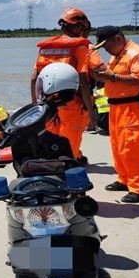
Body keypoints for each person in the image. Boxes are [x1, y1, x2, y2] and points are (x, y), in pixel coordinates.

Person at [92, 26, 139, 203]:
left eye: (106, 46)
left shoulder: (138, 53)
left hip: (132, 107)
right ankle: (124, 179)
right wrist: (101, 76)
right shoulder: (116, 55)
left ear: (118, 39)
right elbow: (113, 77)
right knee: (117, 146)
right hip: (116, 106)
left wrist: (112, 77)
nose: (106, 50)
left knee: (131, 148)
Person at [30, 8, 93, 164]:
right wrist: (90, 110)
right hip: (71, 102)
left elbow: (34, 78)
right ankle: (68, 165)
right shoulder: (79, 47)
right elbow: (83, 81)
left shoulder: (46, 47)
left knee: (52, 135)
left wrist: (35, 105)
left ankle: (55, 161)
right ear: (79, 26)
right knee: (71, 137)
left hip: (47, 102)